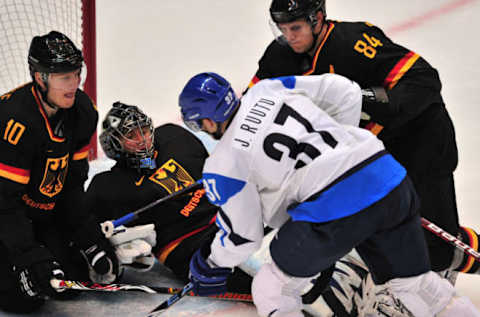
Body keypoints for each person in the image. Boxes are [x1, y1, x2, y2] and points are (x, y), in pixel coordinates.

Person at [178, 71, 480, 317]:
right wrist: (339, 147)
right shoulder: (267, 89)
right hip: (386, 175)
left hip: (336, 209)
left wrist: (212, 263)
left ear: (205, 120)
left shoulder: (223, 163)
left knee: (271, 287)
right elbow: (344, 91)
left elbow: (244, 237)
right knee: (417, 286)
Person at [248, 0, 480, 283]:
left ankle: (440, 275)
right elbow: (254, 101)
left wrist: (363, 98)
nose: (289, 36)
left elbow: (423, 78)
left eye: (295, 27)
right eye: (282, 28)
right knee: (379, 228)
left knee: (436, 248)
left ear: (318, 19)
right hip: (367, 154)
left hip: (419, 141)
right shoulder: (279, 55)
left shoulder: (353, 42)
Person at [0, 31, 123, 314]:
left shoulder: (82, 112)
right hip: (5, 213)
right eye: (63, 77)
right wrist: (28, 255)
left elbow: (71, 186)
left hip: (35, 212)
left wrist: (90, 239)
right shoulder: (15, 122)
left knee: (69, 281)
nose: (74, 84)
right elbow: (4, 205)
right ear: (40, 77)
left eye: (76, 74)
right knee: (23, 297)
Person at [85, 101, 252, 293]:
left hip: (226, 215)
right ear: (114, 144)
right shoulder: (106, 186)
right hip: (185, 244)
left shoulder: (174, 137)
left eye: (145, 130)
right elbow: (84, 227)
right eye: (131, 136)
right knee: (253, 281)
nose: (143, 139)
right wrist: (107, 253)